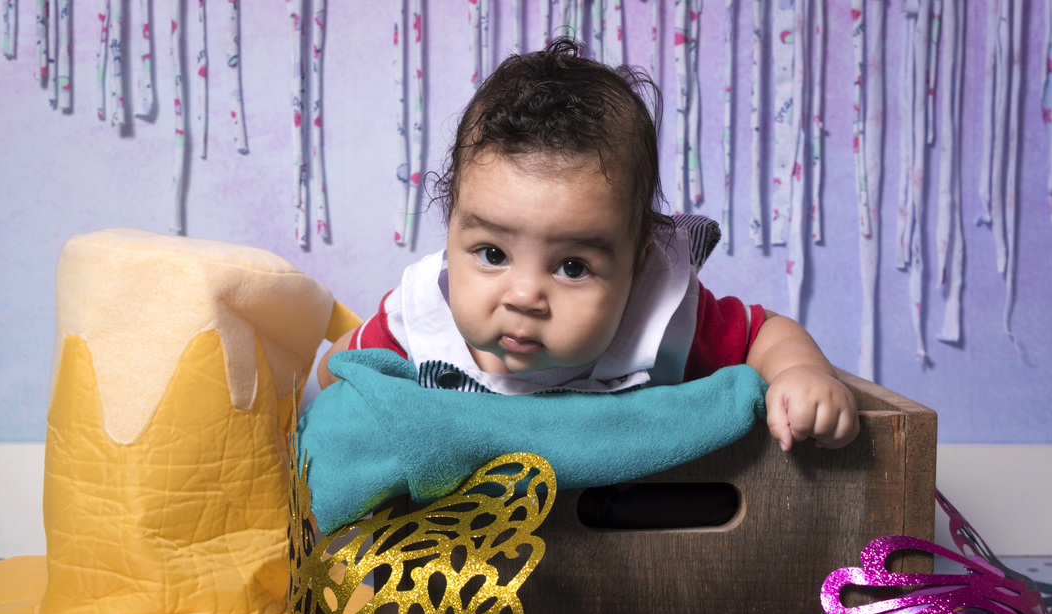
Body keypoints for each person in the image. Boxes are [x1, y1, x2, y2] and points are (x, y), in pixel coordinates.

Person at [319, 38, 857, 452]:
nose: (523, 296)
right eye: (492, 255)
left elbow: (765, 333)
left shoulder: (659, 320)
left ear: (636, 266)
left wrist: (800, 374)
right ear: (451, 233)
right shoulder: (420, 322)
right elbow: (334, 372)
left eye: (573, 267)